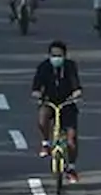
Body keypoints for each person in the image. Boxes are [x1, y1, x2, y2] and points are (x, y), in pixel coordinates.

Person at [32, 41, 82, 182]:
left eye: (59, 55)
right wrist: (37, 93)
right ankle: (45, 143)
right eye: (54, 55)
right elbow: (36, 85)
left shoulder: (70, 67)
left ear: (65, 55)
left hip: (67, 103)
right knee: (43, 118)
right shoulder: (43, 67)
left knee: (72, 139)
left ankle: (71, 168)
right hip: (49, 101)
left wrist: (77, 93)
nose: (56, 58)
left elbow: (76, 84)